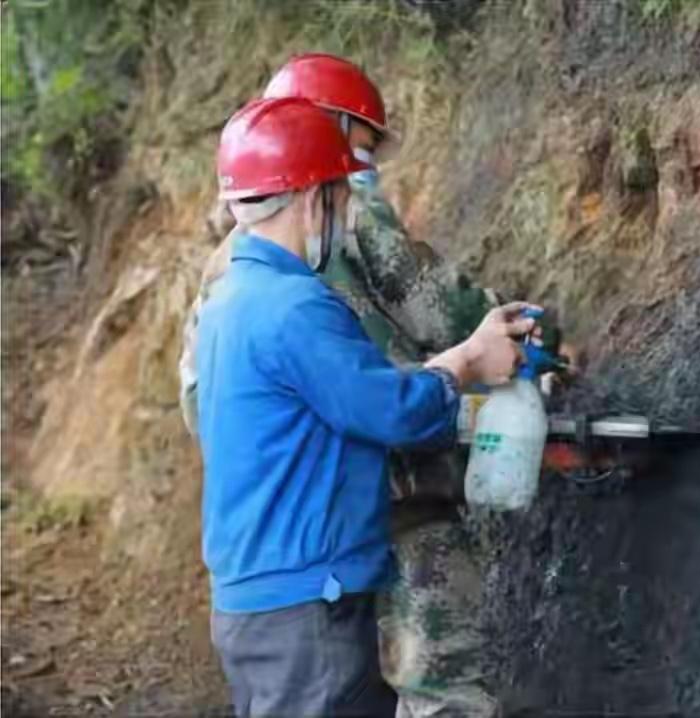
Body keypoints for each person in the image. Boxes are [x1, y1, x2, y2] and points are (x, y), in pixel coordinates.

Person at [180, 53, 575, 717]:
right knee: (442, 689)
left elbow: (203, 410)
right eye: (355, 156)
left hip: (289, 558)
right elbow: (420, 352)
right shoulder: (300, 286)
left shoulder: (227, 282)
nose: (359, 181)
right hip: (371, 527)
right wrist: (491, 352)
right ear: (316, 180)